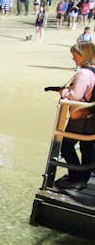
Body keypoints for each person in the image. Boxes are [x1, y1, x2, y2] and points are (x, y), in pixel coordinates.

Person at [54, 42, 95, 190]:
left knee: (66, 146)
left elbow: (75, 96)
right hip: (91, 118)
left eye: (75, 55)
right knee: (87, 147)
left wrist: (64, 92)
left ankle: (75, 177)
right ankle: (83, 178)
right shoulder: (93, 71)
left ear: (84, 56)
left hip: (80, 117)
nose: (73, 59)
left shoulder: (83, 74)